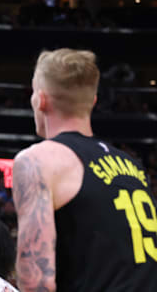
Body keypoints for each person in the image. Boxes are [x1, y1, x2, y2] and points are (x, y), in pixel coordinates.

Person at [12, 49, 157, 292]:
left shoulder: (37, 160)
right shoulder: (133, 166)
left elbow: (36, 283)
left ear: (41, 99)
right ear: (93, 102)